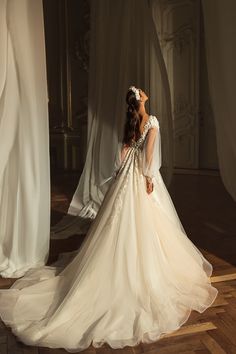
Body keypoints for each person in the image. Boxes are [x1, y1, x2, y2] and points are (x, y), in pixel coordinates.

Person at [0, 86, 218, 352]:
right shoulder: (152, 121)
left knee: (117, 224)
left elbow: (124, 151)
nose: (145, 93)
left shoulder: (131, 123)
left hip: (125, 176)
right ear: (142, 100)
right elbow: (150, 157)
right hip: (140, 177)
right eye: (143, 92)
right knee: (149, 224)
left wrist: (122, 173)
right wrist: (149, 178)